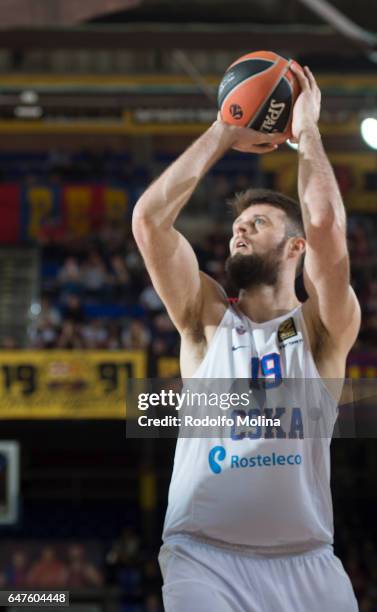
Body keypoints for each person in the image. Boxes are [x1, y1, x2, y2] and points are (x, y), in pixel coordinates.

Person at [132, 65, 361, 612]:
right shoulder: (206, 318)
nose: (239, 229)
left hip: (308, 562)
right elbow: (149, 222)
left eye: (257, 223)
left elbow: (327, 224)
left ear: (294, 247)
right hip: (203, 558)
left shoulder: (323, 331)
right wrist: (225, 129)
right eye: (238, 224)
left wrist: (307, 133)